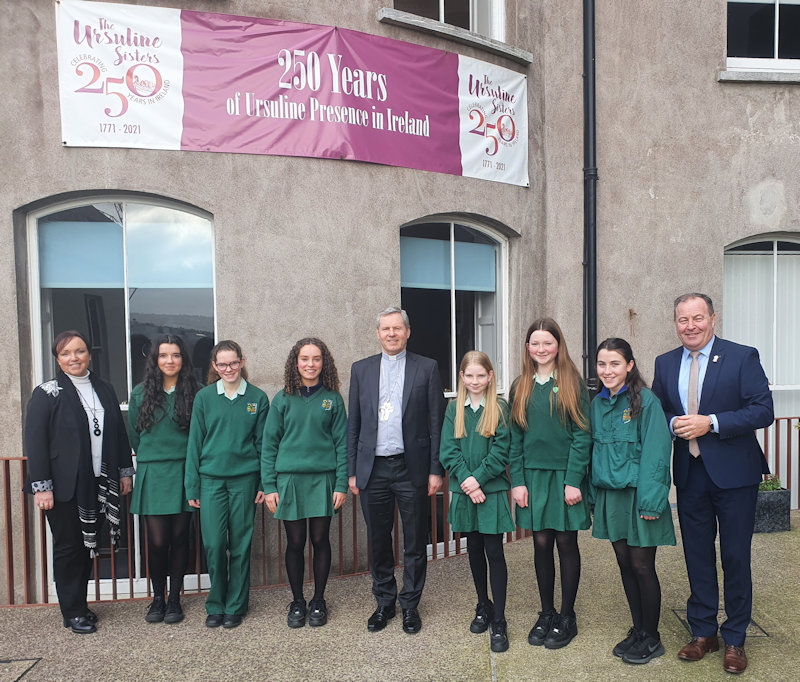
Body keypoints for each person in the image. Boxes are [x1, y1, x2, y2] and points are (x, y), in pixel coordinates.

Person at [652, 293, 773, 674]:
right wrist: (674, 423)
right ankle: (704, 632)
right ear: (676, 323)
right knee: (697, 554)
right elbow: (660, 410)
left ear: (713, 319)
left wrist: (713, 422)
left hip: (735, 474)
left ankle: (735, 636)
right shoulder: (666, 362)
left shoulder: (741, 356)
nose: (690, 326)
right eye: (683, 320)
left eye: (697, 318)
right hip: (690, 474)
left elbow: (763, 409)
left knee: (735, 555)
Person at [24, 330, 134, 634]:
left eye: (79, 351)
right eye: (66, 353)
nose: (74, 358)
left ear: (89, 353)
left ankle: (81, 606)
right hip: (61, 487)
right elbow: (35, 442)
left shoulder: (104, 388)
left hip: (98, 483)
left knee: (87, 546)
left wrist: (124, 471)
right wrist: (41, 486)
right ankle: (71, 612)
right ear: (57, 359)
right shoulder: (47, 392)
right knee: (69, 547)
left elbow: (118, 434)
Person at [347, 307, 446, 634]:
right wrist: (352, 471)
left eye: (397, 328)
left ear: (407, 332)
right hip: (372, 470)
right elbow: (354, 425)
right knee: (378, 540)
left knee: (415, 541)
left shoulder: (427, 368)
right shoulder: (361, 370)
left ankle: (410, 605)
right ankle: (384, 602)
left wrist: (436, 469)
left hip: (411, 469)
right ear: (378, 333)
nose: (391, 333)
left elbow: (436, 423)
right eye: (386, 328)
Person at [591, 338, 676, 664]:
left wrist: (653, 503)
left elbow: (656, 453)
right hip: (611, 498)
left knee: (642, 566)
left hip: (641, 497)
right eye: (602, 364)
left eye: (614, 363)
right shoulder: (597, 403)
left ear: (629, 365)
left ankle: (652, 638)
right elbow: (593, 452)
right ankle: (639, 628)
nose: (607, 370)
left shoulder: (647, 401)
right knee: (625, 564)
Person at [509, 318, 591, 650]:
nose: (541, 349)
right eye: (535, 343)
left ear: (558, 344)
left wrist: (574, 480)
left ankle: (567, 616)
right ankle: (546, 613)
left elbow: (582, 436)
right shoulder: (521, 385)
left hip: (564, 478)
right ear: (527, 347)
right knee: (541, 543)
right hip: (532, 477)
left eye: (547, 343)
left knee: (566, 543)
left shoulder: (573, 382)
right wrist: (517, 481)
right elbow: (515, 437)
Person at [259, 338, 348, 629]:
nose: (310, 364)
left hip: (323, 480)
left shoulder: (332, 399)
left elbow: (342, 445)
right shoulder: (282, 399)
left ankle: (319, 600)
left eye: (316, 358)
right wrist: (269, 486)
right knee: (295, 542)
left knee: (320, 540)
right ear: (295, 362)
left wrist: (341, 485)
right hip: (290, 482)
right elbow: (269, 445)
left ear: (325, 363)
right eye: (304, 358)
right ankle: (298, 601)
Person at [185, 340, 269, 629]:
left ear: (242, 362)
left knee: (241, 544)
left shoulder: (257, 398)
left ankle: (236, 605)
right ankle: (216, 603)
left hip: (244, 480)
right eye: (222, 364)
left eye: (233, 362)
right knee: (214, 543)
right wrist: (191, 485)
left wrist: (262, 482)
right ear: (214, 366)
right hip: (210, 481)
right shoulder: (205, 398)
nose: (228, 368)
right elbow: (194, 443)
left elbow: (263, 446)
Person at [439, 351, 514, 653]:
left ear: (490, 376)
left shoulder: (500, 409)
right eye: (469, 376)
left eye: (480, 376)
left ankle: (500, 618)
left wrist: (478, 479)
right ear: (462, 378)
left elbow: (501, 451)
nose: (475, 381)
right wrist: (468, 483)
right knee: (473, 550)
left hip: (491, 491)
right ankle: (483, 604)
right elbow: (448, 449)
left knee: (494, 551)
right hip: (467, 491)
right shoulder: (453, 409)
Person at [128, 335, 200, 625]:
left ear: (184, 359)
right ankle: (158, 598)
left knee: (180, 538)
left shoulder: (197, 392)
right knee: (157, 542)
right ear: (155, 360)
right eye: (163, 355)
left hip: (184, 470)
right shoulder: (140, 393)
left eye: (175, 355)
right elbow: (134, 434)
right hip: (153, 472)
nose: (170, 361)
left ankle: (174, 601)